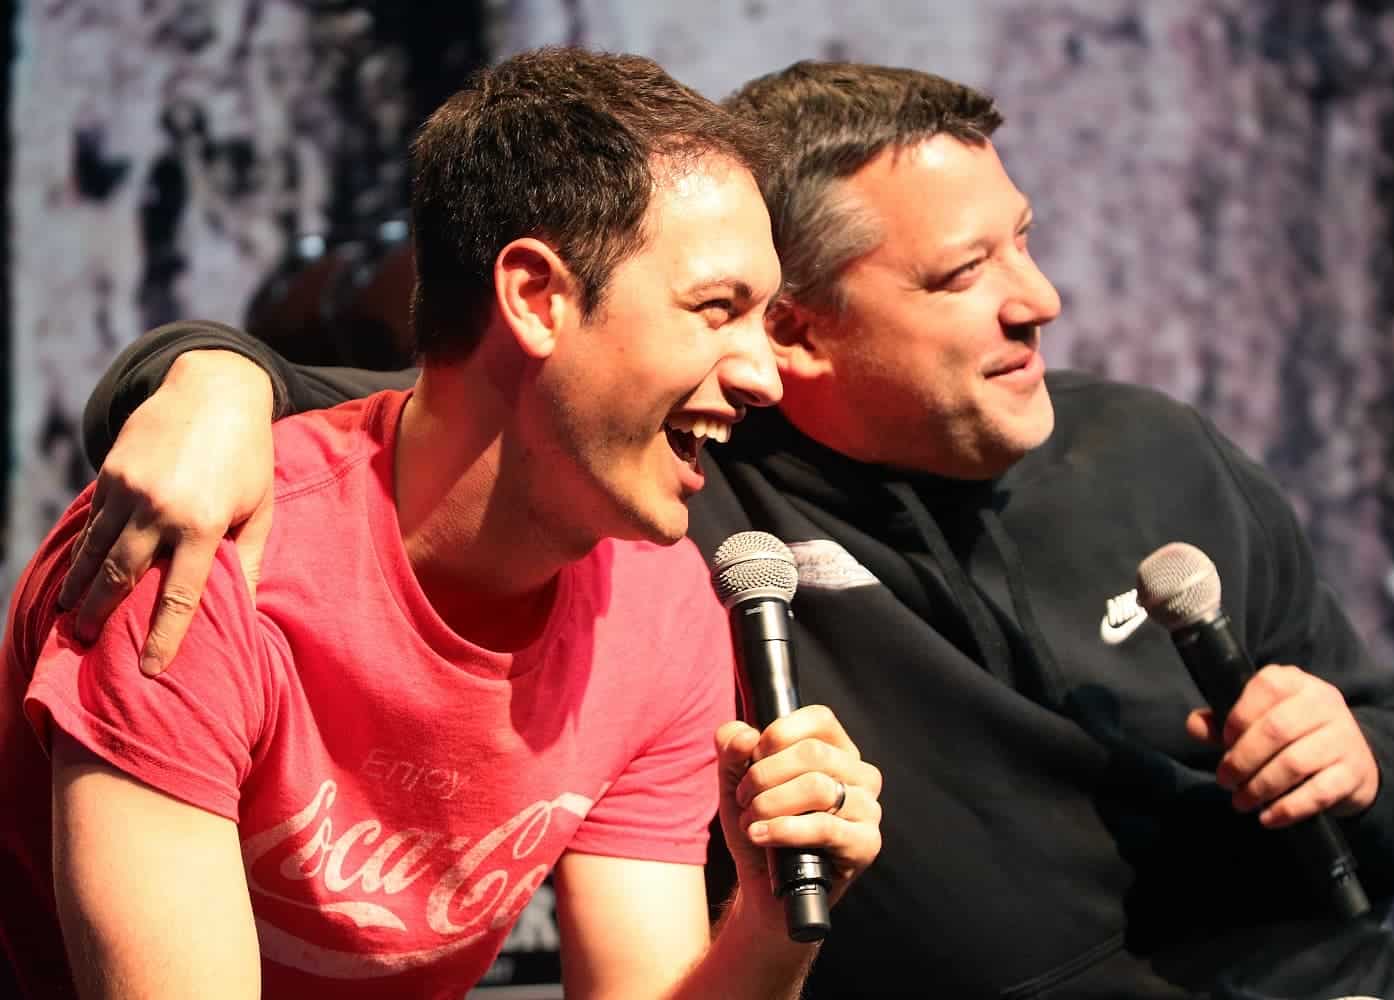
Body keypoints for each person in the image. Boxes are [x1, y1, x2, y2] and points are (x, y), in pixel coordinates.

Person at [61, 60, 1394, 999]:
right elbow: (432, 418)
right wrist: (200, 373)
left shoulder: (1153, 453)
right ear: (805, 337)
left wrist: (1366, 765)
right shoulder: (674, 504)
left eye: (1025, 241)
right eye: (963, 270)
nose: (1039, 298)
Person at [0, 49, 885, 1000]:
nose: (765, 375)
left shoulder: (661, 609)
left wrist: (768, 923)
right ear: (537, 297)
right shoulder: (202, 550)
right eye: (718, 310)